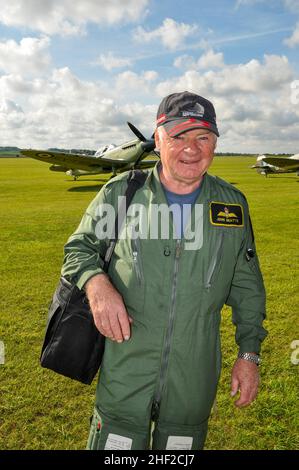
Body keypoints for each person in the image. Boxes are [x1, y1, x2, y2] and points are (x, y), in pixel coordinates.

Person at [61, 91, 267, 450]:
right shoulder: (121, 194)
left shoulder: (231, 205)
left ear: (215, 144)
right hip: (125, 370)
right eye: (178, 136)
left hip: (193, 377)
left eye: (203, 137)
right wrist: (96, 284)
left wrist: (249, 354)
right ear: (158, 140)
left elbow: (247, 286)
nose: (192, 147)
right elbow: (79, 249)